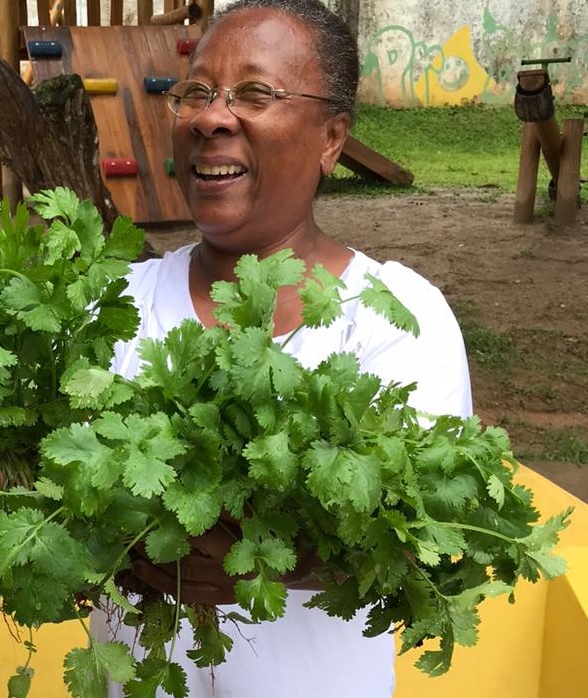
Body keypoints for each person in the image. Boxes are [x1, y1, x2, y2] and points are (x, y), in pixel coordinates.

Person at [89, 0, 473, 696]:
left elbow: (427, 537)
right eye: (196, 92)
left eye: (255, 95)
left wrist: (262, 560)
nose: (210, 117)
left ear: (331, 139)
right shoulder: (114, 306)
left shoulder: (391, 318)